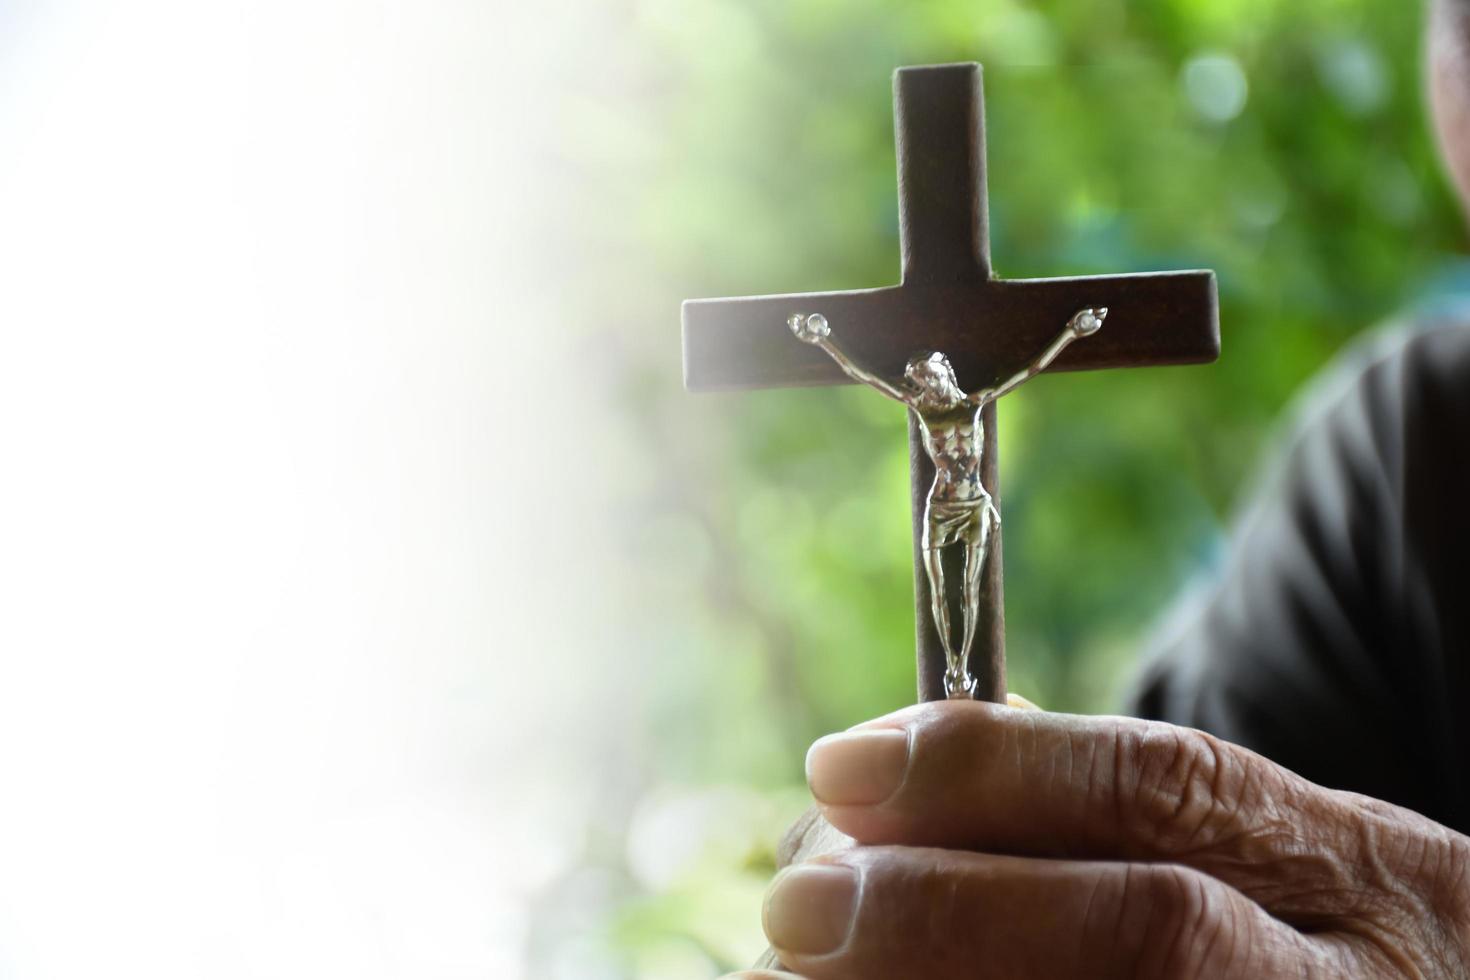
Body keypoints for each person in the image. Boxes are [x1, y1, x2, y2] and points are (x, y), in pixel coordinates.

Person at [723, 2, 1470, 974]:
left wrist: (1071, 333)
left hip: (967, 504)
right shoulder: (1405, 465)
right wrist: (1024, 899)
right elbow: (1196, 896)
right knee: (956, 656)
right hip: (950, 512)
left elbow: (1032, 349)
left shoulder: (996, 379)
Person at [788, 308, 1105, 699]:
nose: (929, 387)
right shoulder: (922, 410)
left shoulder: (976, 402)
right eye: (921, 382)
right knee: (938, 591)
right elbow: (863, 375)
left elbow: (1030, 369)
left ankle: (962, 666)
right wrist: (824, 339)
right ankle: (953, 666)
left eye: (933, 377)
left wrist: (1072, 332)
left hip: (973, 505)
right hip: (939, 506)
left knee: (970, 589)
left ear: (947, 372)